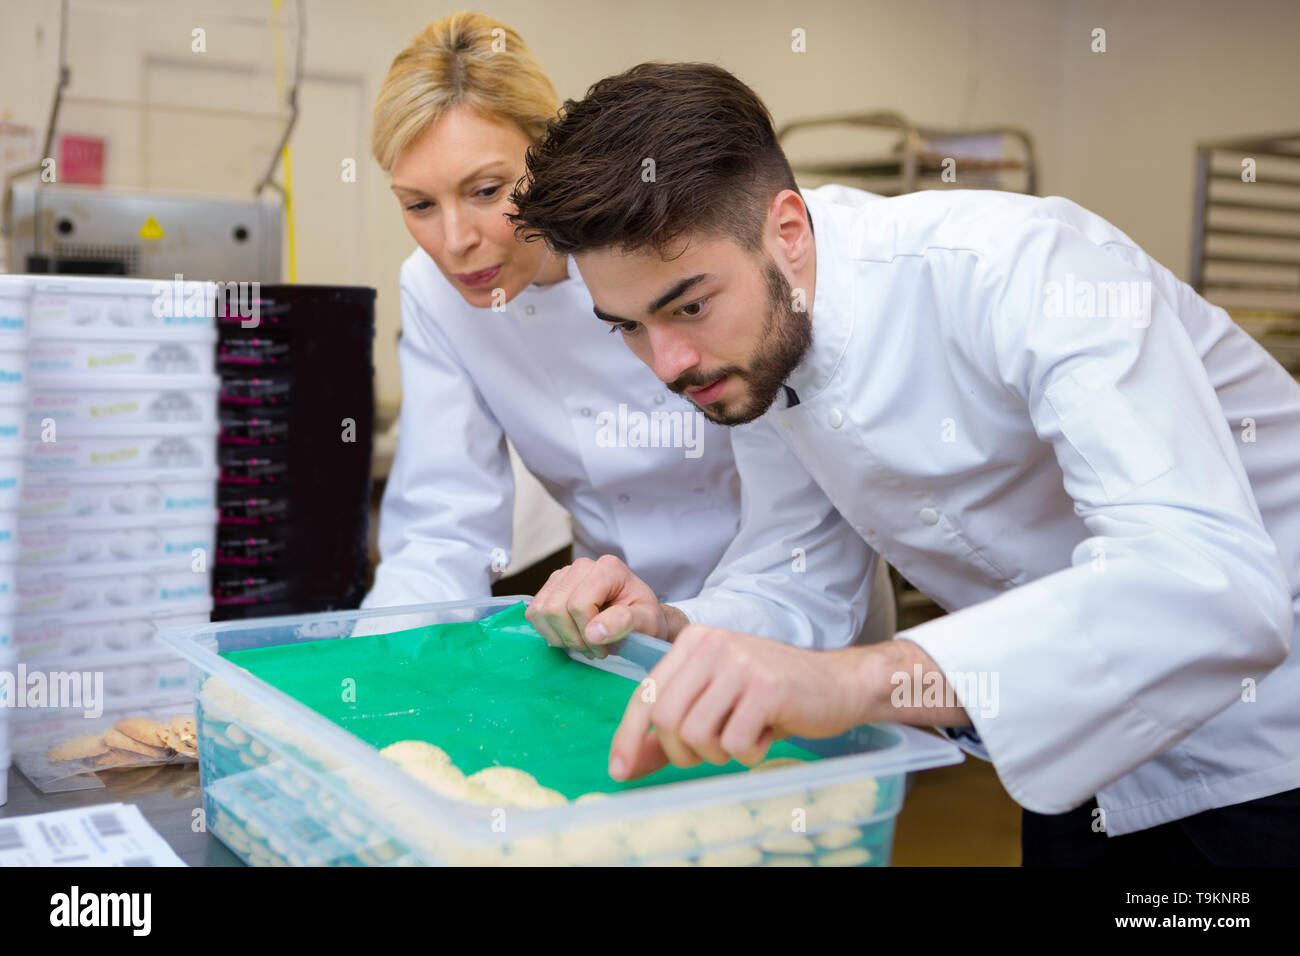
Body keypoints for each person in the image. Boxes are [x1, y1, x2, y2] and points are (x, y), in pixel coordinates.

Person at [508, 62, 1300, 865]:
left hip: (1276, 735)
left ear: (786, 232)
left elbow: (1212, 588)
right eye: (628, 327)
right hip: (1082, 743)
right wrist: (673, 627)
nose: (669, 362)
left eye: (689, 305)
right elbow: (797, 573)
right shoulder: (749, 357)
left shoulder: (1028, 271)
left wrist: (853, 684)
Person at [362, 15, 894, 653]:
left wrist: (691, 626)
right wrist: (374, 665)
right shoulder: (432, 291)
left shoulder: (664, 253)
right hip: (609, 632)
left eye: (486, 190)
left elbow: (797, 531)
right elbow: (441, 529)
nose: (455, 242)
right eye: (418, 204)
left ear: (545, 156)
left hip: (789, 614)